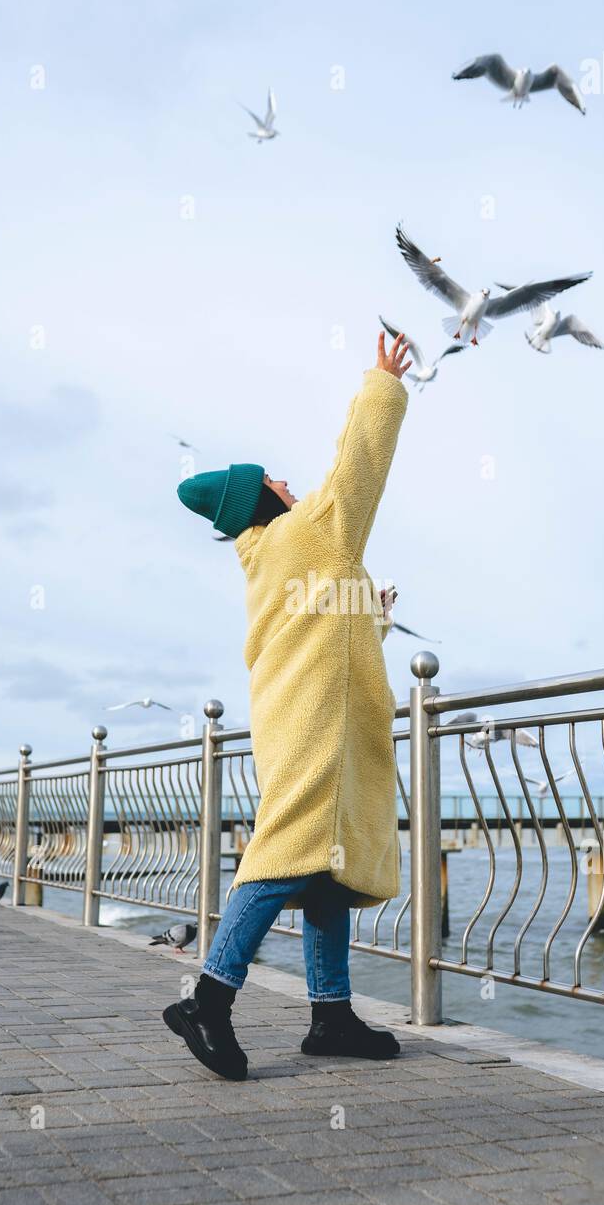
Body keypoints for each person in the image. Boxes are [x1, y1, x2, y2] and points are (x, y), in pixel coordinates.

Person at [163, 332, 412, 1080]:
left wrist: (369, 609)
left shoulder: (270, 556)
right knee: (280, 857)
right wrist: (381, 383)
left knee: (325, 867)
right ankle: (206, 1000)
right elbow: (357, 470)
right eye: (274, 479)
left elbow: (319, 626)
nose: (289, 482)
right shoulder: (305, 532)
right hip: (317, 728)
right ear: (261, 500)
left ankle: (330, 1016)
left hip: (297, 721)